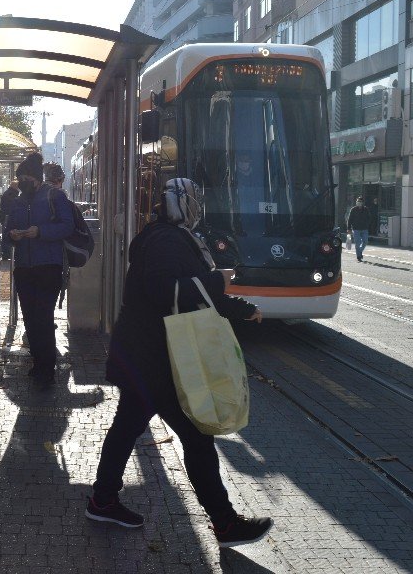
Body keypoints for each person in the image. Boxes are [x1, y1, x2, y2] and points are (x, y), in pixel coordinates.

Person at [87, 177, 271, 548]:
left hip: (145, 355)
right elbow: (168, 292)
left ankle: (103, 500)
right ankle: (224, 523)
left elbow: (189, 291)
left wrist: (241, 308)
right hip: (155, 358)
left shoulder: (164, 236)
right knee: (196, 437)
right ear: (180, 203)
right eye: (194, 199)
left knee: (129, 429)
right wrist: (218, 282)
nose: (198, 206)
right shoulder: (167, 240)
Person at [4, 152, 73, 390]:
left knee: (43, 317)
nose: (22, 182)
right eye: (19, 178)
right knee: (30, 317)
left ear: (36, 178)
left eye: (26, 178)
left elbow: (67, 226)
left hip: (48, 267)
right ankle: (37, 362)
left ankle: (47, 366)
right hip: (24, 267)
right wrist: (12, 234)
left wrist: (40, 231)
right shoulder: (19, 201)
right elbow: (8, 228)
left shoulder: (55, 196)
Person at [0, 180, 19, 262]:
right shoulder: (12, 194)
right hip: (8, 218)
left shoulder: (8, 193)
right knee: (7, 236)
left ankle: (6, 254)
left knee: (6, 236)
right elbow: (11, 208)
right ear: (15, 186)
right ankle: (7, 254)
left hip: (5, 218)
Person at [347, 197, 370, 262]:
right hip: (356, 229)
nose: (358, 202)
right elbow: (349, 219)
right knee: (358, 242)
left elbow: (369, 218)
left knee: (365, 241)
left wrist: (367, 224)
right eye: (357, 201)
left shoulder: (366, 209)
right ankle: (359, 256)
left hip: (364, 228)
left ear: (362, 203)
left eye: (360, 201)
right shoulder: (353, 209)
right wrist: (348, 228)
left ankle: (359, 252)